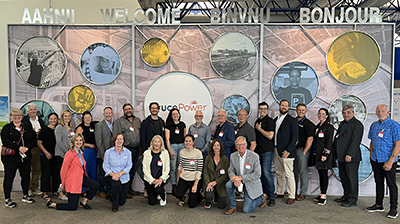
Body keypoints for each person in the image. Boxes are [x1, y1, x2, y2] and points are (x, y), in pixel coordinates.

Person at [46, 133, 100, 210]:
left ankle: (83, 201)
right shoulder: (69, 154)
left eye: (80, 140)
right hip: (73, 182)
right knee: (73, 207)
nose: (79, 142)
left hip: (80, 178)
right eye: (76, 140)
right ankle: (53, 204)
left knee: (96, 185)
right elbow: (63, 170)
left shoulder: (80, 153)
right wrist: (63, 184)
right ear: (73, 142)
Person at [366, 104, 400, 219]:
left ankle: (393, 208)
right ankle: (378, 204)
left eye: (382, 111)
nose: (380, 113)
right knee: (379, 182)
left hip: (388, 160)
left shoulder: (394, 125)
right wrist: (371, 154)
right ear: (376, 112)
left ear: (388, 112)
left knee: (391, 184)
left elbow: (398, 144)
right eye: (378, 111)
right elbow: (371, 141)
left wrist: (391, 161)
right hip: (376, 159)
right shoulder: (374, 125)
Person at [1, 109, 37, 208]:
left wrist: (27, 148)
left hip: (25, 157)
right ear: (11, 116)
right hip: (10, 158)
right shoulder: (7, 128)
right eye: (14, 115)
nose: (17, 117)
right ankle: (7, 199)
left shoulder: (28, 127)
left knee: (25, 176)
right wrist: (19, 148)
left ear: (22, 116)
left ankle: (25, 195)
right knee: (9, 177)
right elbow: (5, 141)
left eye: (19, 115)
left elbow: (34, 140)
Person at [224, 136, 267, 215]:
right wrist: (235, 179)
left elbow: (257, 174)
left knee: (247, 210)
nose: (240, 147)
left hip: (250, 182)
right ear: (235, 146)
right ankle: (232, 207)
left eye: (242, 144)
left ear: (246, 145)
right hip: (238, 180)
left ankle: (261, 198)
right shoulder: (233, 156)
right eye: (238, 145)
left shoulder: (254, 156)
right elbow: (231, 170)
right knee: (228, 185)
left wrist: (240, 178)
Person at [334, 105, 363, 207]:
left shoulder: (357, 124)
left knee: (352, 179)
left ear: (353, 113)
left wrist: (349, 154)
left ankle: (352, 200)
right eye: (344, 113)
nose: (346, 114)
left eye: (348, 112)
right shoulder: (342, 123)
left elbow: (355, 141)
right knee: (344, 177)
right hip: (341, 156)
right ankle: (346, 196)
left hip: (351, 157)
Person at [273, 99, 299, 204]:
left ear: (288, 108)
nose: (284, 107)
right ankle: (280, 191)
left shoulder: (292, 120)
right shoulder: (275, 119)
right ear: (279, 106)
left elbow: (295, 137)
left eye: (286, 106)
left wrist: (288, 150)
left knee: (289, 173)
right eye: (282, 105)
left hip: (287, 151)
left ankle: (292, 195)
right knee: (279, 172)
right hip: (276, 149)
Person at [113, 103, 141, 197]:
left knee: (132, 170)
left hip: (136, 149)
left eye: (130, 109)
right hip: (125, 150)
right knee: (124, 170)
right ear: (123, 111)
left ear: (132, 110)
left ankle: (129, 189)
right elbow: (116, 137)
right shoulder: (119, 121)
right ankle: (123, 190)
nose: (128, 110)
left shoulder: (137, 120)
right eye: (126, 109)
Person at [103, 132, 132, 212]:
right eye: (117, 139)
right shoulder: (108, 152)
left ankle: (111, 194)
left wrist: (120, 173)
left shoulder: (128, 152)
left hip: (124, 177)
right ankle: (114, 206)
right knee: (116, 184)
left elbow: (129, 166)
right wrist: (114, 174)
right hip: (111, 176)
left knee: (122, 202)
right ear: (114, 141)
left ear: (123, 140)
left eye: (121, 139)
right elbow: (105, 166)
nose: (119, 141)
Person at [21, 102, 46, 197]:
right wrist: (33, 131)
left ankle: (35, 187)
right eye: (31, 109)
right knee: (28, 169)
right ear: (27, 111)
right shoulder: (24, 120)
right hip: (28, 148)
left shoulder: (40, 120)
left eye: (34, 109)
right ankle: (28, 189)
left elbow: (44, 131)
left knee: (36, 168)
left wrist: (40, 132)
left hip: (38, 147)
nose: (33, 111)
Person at [254, 102, 276, 206]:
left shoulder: (270, 121)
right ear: (258, 110)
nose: (262, 110)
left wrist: (260, 129)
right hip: (258, 152)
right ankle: (263, 195)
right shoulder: (257, 121)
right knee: (260, 175)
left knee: (267, 174)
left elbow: (270, 136)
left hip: (267, 151)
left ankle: (272, 197)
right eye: (260, 108)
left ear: (267, 110)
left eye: (264, 108)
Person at [312, 108, 335, 205]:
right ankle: (321, 192)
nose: (320, 115)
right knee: (321, 174)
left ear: (326, 115)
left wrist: (325, 154)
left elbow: (329, 142)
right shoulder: (318, 126)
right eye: (319, 113)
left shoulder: (329, 127)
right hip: (317, 155)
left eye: (323, 113)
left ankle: (323, 195)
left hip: (324, 156)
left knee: (324, 175)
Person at [175, 134, 203, 208]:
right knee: (177, 194)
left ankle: (199, 196)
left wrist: (195, 184)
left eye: (190, 141)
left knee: (192, 205)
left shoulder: (198, 153)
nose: (188, 143)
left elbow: (199, 169)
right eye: (186, 141)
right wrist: (178, 179)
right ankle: (183, 197)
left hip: (194, 179)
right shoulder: (182, 152)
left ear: (193, 142)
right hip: (184, 177)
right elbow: (180, 166)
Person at [294, 103, 315, 201]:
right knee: (294, 172)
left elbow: (310, 139)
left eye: (302, 110)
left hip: (302, 151)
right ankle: (293, 192)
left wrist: (304, 152)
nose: (300, 111)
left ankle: (302, 193)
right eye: (299, 110)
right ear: (296, 110)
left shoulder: (308, 124)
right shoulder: (293, 122)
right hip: (293, 151)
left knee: (303, 172)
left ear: (306, 111)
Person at [143, 135, 170, 206]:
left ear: (161, 143)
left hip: (160, 179)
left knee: (158, 189)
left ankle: (163, 196)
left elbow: (167, 169)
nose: (157, 144)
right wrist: (152, 180)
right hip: (150, 180)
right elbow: (144, 169)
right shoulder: (146, 153)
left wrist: (161, 179)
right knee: (152, 202)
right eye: (155, 141)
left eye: (159, 142)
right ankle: (156, 193)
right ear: (152, 143)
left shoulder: (165, 153)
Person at [37, 112, 59, 200]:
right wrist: (46, 153)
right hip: (45, 155)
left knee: (55, 173)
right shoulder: (44, 130)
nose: (53, 120)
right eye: (51, 119)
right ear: (48, 120)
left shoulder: (59, 129)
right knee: (45, 174)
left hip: (56, 155)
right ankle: (45, 192)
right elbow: (39, 142)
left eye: (55, 119)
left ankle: (55, 190)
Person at [165, 108, 186, 195]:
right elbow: (167, 139)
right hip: (172, 146)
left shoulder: (182, 124)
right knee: (173, 167)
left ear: (179, 115)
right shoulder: (168, 125)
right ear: (171, 116)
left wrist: (185, 149)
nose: (175, 115)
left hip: (182, 146)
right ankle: (174, 185)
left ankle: (180, 184)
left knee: (181, 166)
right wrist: (170, 150)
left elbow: (185, 138)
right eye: (173, 114)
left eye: (177, 114)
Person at [54, 109, 75, 200]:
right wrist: (67, 152)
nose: (67, 118)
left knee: (67, 175)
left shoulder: (71, 128)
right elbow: (59, 142)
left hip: (69, 155)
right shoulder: (59, 127)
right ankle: (60, 193)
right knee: (61, 175)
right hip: (61, 155)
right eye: (65, 116)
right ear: (62, 117)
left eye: (68, 116)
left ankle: (66, 191)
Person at [203, 139, 229, 209]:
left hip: (220, 183)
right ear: (212, 147)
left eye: (218, 145)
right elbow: (205, 172)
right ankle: (208, 201)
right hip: (209, 182)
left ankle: (216, 196)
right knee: (209, 194)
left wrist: (216, 182)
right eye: (214, 145)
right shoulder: (208, 158)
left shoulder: (225, 159)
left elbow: (225, 175)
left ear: (221, 147)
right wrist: (209, 183)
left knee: (221, 206)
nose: (216, 147)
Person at [95, 107, 114, 198]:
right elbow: (98, 141)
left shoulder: (114, 125)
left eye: (110, 113)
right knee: (102, 173)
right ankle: (102, 190)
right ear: (103, 114)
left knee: (110, 172)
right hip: (102, 154)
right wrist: (103, 155)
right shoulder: (99, 125)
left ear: (112, 114)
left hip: (112, 154)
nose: (108, 115)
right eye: (106, 113)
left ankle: (109, 190)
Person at [76, 111, 97, 182]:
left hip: (94, 151)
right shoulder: (80, 128)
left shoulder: (94, 126)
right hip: (85, 151)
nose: (88, 119)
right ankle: (84, 188)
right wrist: (88, 145)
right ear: (83, 119)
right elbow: (77, 141)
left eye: (89, 117)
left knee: (93, 169)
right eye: (86, 117)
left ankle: (92, 186)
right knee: (85, 168)